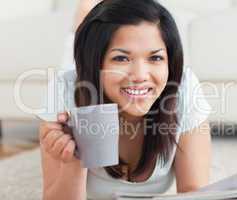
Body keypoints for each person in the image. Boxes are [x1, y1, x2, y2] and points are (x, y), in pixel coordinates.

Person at [39, 0, 212, 199]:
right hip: (85, 82)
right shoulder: (64, 92)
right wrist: (72, 160)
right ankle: (86, 10)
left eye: (155, 58)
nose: (139, 75)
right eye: (121, 58)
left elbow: (194, 192)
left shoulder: (184, 87)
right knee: (74, 47)